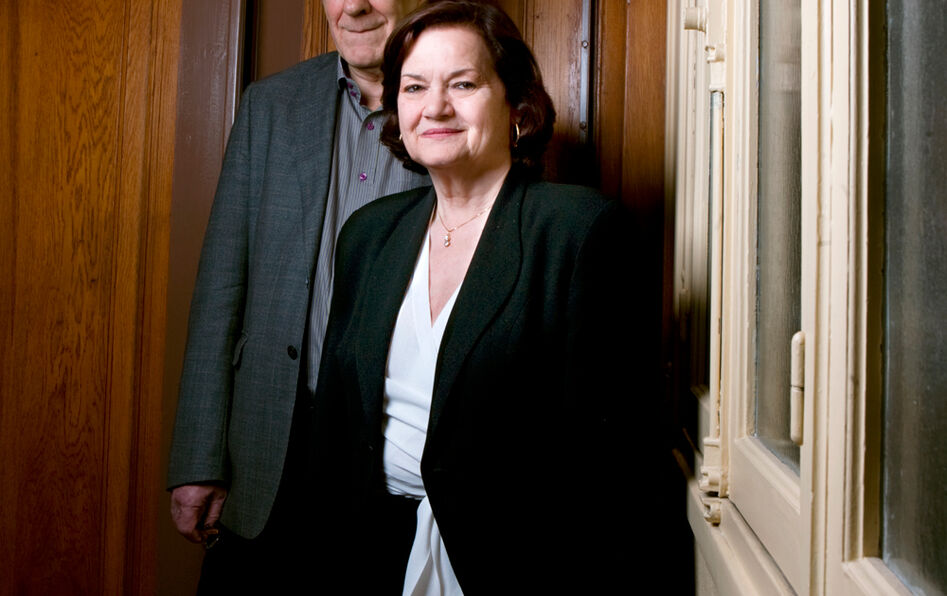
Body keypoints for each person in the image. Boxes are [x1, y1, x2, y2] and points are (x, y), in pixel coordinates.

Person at [312, 2, 673, 592]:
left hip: (515, 562)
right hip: (371, 555)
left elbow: (614, 468)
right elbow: (332, 432)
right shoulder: (368, 235)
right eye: (415, 87)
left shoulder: (579, 232)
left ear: (517, 107)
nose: (435, 107)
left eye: (463, 84)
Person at [166, 0, 425, 591]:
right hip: (268, 451)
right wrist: (199, 457)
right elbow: (221, 288)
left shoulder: (456, 109)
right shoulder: (271, 105)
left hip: (397, 463)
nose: (354, 7)